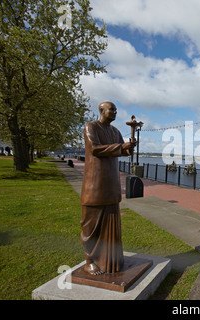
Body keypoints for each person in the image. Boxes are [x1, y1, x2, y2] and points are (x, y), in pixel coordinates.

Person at [80, 101, 136, 275]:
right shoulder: (91, 127)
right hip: (95, 184)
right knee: (91, 226)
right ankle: (89, 260)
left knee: (111, 224)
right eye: (111, 109)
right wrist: (122, 147)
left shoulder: (115, 131)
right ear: (101, 111)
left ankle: (110, 259)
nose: (115, 112)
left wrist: (130, 147)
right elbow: (95, 149)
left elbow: (122, 151)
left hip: (111, 183)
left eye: (116, 110)